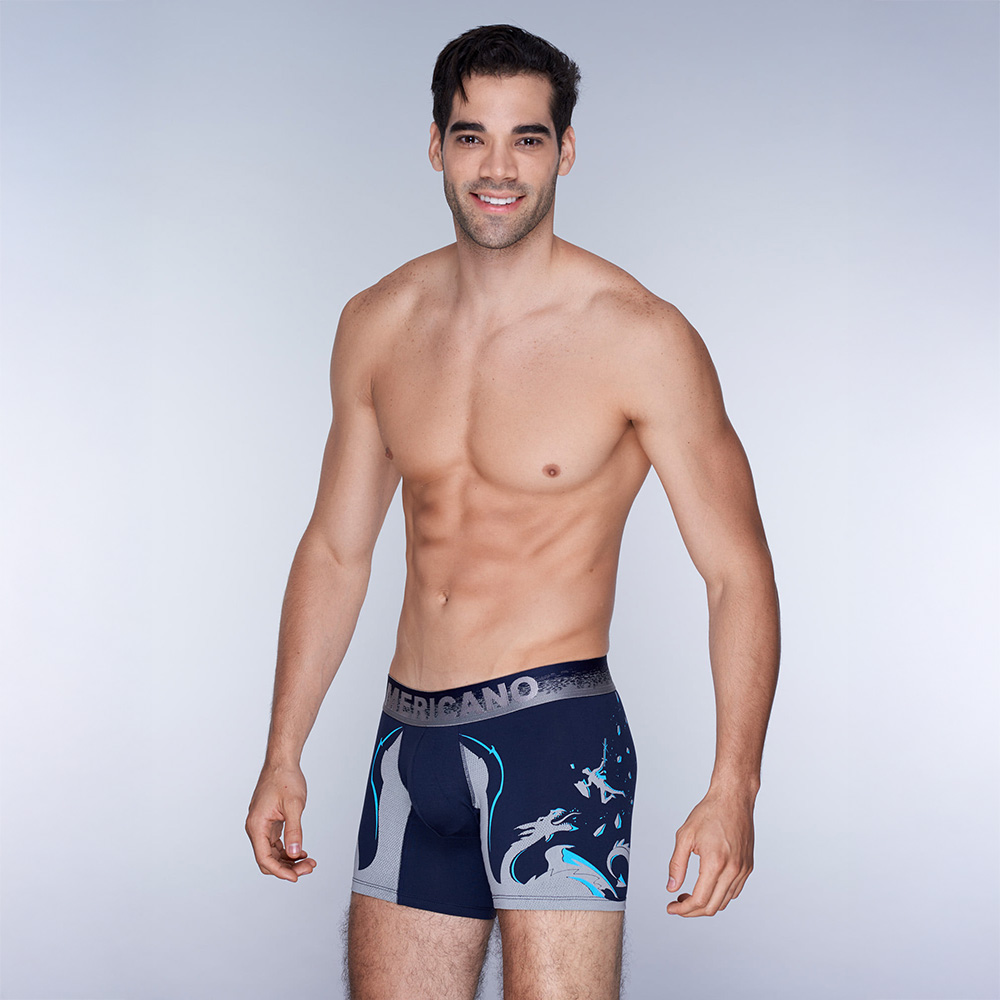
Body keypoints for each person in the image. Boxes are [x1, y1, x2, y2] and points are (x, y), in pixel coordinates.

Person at [246, 23, 779, 1000]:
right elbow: (336, 550)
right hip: (406, 745)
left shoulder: (639, 337)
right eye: (472, 136)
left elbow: (735, 571)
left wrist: (733, 785)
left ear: (564, 151)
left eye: (526, 139)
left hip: (556, 743)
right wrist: (283, 750)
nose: (497, 168)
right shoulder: (378, 322)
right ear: (436, 145)